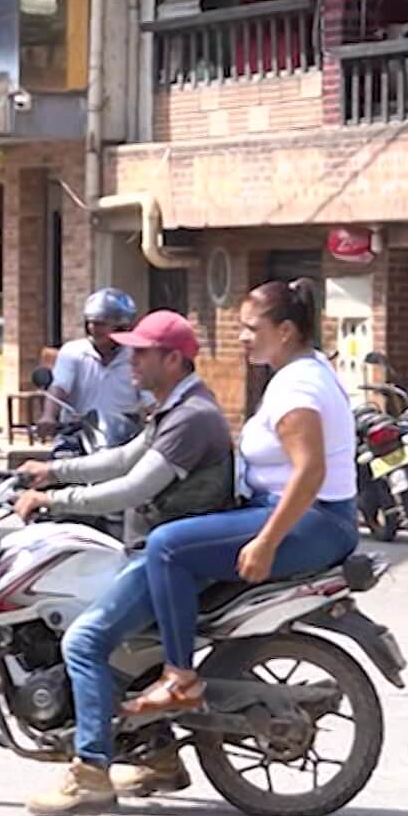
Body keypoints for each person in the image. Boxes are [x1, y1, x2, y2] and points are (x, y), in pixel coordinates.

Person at [17, 310, 237, 816]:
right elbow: (120, 458)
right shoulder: (172, 409)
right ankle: (158, 756)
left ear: (173, 359)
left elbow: (135, 487)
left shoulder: (191, 417)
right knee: (111, 634)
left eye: (141, 352)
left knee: (85, 640)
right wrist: (51, 470)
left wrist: (55, 499)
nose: (130, 360)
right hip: (154, 549)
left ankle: (91, 770)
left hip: (168, 555)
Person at [132, 279, 358, 716]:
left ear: (286, 331)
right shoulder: (302, 371)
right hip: (303, 515)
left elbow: (310, 471)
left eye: (251, 328)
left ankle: (180, 678)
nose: (242, 337)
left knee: (166, 547)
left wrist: (266, 542)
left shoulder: (297, 389)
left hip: (311, 521)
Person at [40, 288, 144, 451]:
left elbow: (150, 396)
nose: (94, 328)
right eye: (90, 322)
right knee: (61, 468)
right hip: (77, 431)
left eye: (101, 324)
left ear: (122, 326)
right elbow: (60, 386)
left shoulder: (135, 355)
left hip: (123, 436)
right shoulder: (73, 351)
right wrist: (48, 416)